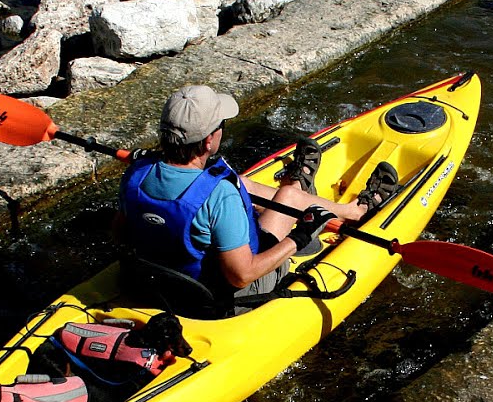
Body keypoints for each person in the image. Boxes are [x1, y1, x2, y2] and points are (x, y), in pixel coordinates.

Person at [118, 85, 398, 310]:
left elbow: (120, 231)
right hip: (219, 296)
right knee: (288, 197)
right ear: (208, 141)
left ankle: (299, 189)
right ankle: (350, 211)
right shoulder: (220, 195)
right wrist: (298, 238)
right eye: (221, 124)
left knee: (239, 183)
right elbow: (241, 276)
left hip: (163, 282)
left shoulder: (136, 173)